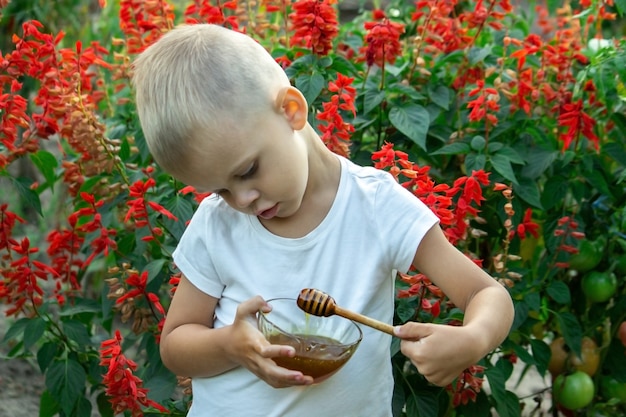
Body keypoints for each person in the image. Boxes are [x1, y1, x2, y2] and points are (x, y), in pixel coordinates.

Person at [131, 23, 514, 417]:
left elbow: (487, 295)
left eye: (247, 171)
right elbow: (176, 345)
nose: (241, 199)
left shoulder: (376, 208)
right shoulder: (218, 224)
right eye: (219, 189)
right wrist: (230, 345)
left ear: (291, 111)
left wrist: (473, 338)